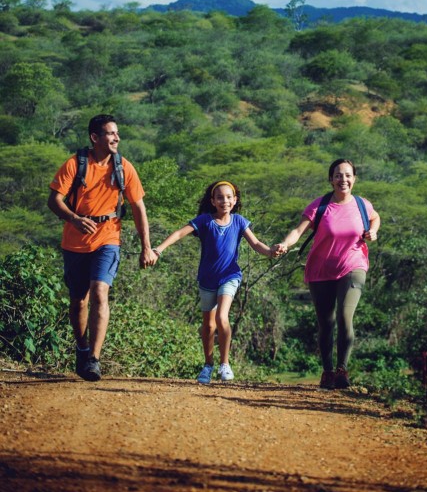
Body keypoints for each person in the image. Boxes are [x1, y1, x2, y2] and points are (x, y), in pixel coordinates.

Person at [48, 114, 157, 382]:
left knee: (100, 292)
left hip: (108, 237)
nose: (116, 138)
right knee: (78, 301)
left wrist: (147, 247)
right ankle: (82, 348)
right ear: (94, 137)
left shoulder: (124, 167)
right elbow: (54, 200)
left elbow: (138, 208)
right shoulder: (75, 164)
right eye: (110, 133)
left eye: (117, 133)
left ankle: (94, 359)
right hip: (75, 242)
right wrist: (74, 218)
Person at [152, 180, 284, 384]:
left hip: (230, 276)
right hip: (206, 279)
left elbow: (256, 243)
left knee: (222, 317)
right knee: (208, 324)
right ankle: (208, 364)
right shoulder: (205, 220)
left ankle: (225, 364)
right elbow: (179, 233)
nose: (225, 201)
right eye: (220, 197)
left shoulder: (240, 221)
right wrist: (159, 249)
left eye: (229, 197)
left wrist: (271, 251)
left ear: (235, 200)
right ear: (213, 201)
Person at [277, 158, 380, 390]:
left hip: (353, 265)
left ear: (354, 179)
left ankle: (342, 370)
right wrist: (285, 244)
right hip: (321, 270)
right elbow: (298, 230)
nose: (342, 179)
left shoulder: (363, 205)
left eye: (347, 175)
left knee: (345, 316)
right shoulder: (319, 205)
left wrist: (372, 231)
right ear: (330, 179)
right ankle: (327, 371)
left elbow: (375, 217)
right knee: (326, 322)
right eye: (337, 175)